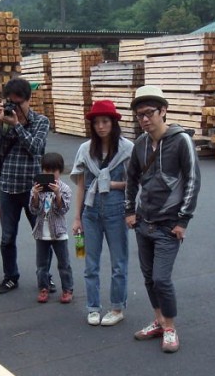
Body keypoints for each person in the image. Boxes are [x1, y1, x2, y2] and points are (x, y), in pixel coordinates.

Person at [125, 85, 200, 354]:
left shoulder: (181, 141)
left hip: (169, 225)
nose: (144, 119)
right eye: (139, 115)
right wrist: (129, 212)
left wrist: (184, 220)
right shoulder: (140, 144)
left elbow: (192, 180)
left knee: (161, 278)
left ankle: (170, 326)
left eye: (149, 113)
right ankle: (158, 320)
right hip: (143, 222)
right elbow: (131, 179)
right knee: (148, 277)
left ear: (163, 111)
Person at [70, 99, 134, 326]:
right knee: (90, 264)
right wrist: (76, 217)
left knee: (119, 262)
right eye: (97, 122)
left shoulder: (127, 149)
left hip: (117, 210)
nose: (101, 126)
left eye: (105, 121)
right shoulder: (85, 149)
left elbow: (135, 183)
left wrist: (112, 184)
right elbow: (80, 185)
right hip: (90, 210)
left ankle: (117, 308)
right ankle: (93, 307)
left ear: (114, 123)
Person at [0, 77, 50, 294]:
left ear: (27, 100)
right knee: (7, 238)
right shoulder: (4, 122)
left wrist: (18, 127)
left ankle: (45, 277)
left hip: (36, 186)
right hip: (8, 186)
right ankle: (10, 277)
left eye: (18, 103)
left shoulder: (41, 121)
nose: (14, 107)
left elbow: (36, 148)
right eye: (10, 102)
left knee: (43, 235)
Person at [29, 152, 73, 304]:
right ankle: (43, 287)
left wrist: (58, 194)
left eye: (53, 171)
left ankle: (67, 289)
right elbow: (34, 211)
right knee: (41, 265)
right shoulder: (37, 188)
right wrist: (35, 196)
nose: (49, 174)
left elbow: (62, 210)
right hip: (42, 232)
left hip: (59, 233)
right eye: (46, 171)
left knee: (64, 264)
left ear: (60, 171)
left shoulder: (65, 188)